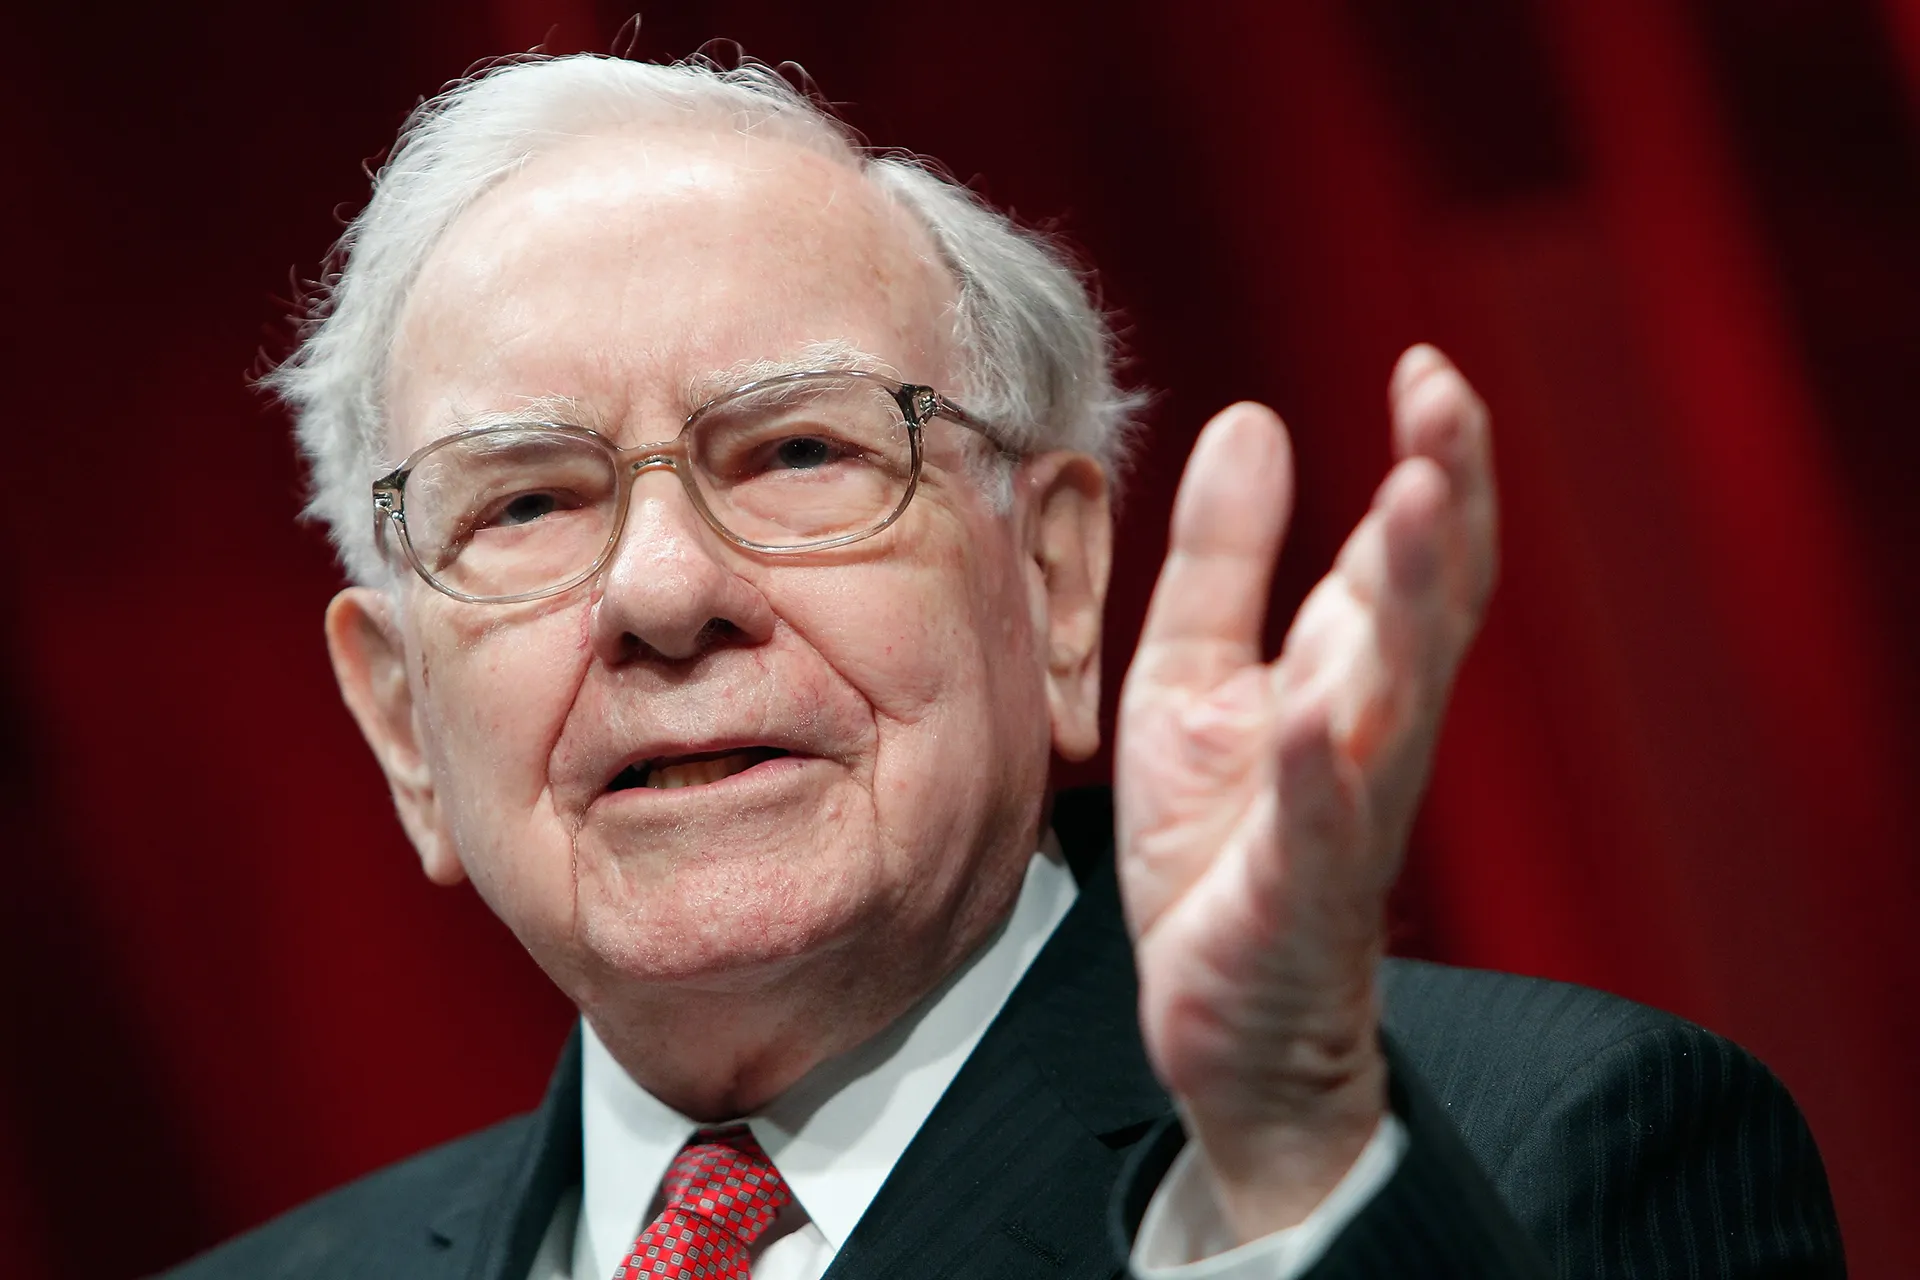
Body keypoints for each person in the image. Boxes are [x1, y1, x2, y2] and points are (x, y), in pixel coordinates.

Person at [164, 51, 1843, 1280]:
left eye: (798, 455)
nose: (667, 592)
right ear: (398, 718)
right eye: (526, 500)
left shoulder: (1533, 1161)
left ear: (1052, 583)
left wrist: (1302, 1196)